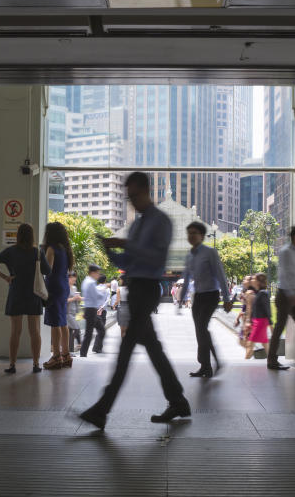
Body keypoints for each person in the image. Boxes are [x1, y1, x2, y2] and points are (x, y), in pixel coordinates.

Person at [79, 172, 190, 429]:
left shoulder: (160, 222)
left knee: (126, 351)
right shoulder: (139, 224)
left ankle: (102, 409)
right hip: (136, 287)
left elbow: (155, 257)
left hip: (147, 288)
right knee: (152, 350)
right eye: (129, 197)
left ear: (146, 190)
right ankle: (178, 401)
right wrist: (111, 249)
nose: (132, 201)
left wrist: (125, 243)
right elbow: (128, 262)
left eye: (134, 195)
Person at [0, 223, 50, 374]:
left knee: (15, 331)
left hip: (16, 293)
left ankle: (12, 365)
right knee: (34, 331)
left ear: (18, 235)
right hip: (34, 294)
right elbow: (47, 270)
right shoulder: (37, 252)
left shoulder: (10, 251)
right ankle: (35, 365)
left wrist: (6, 277)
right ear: (32, 236)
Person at [182, 221, 232, 378]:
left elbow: (220, 274)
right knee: (200, 331)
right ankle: (205, 366)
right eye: (189, 233)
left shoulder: (210, 252)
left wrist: (227, 298)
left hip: (211, 295)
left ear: (202, 236)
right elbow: (186, 278)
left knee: (202, 328)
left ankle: (215, 360)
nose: (191, 236)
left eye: (194, 233)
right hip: (198, 297)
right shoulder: (189, 255)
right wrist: (182, 299)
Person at [267, 224, 295, 370]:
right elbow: (284, 275)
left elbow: (294, 276)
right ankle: (272, 361)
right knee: (280, 327)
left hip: (293, 293)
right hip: (285, 294)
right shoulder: (285, 251)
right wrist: (293, 295)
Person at [41, 221, 74, 371]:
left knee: (55, 322)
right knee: (63, 321)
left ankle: (56, 357)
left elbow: (47, 270)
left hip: (53, 287)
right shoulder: (65, 249)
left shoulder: (51, 249)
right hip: (64, 286)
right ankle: (66, 355)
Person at [79, 264, 107, 357]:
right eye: (98, 273)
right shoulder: (91, 282)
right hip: (91, 310)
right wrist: (103, 289)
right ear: (93, 272)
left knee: (97, 331)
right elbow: (97, 296)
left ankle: (90, 350)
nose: (98, 275)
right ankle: (83, 354)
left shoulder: (86, 281)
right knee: (90, 333)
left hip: (90, 310)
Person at [247, 274, 271, 359]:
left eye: (253, 278)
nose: (251, 280)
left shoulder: (263, 293)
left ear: (258, 282)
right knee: (265, 344)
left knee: (250, 345)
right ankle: (272, 360)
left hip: (260, 322)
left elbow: (267, 310)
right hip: (257, 321)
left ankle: (244, 364)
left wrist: (271, 325)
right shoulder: (258, 293)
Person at [66, 273, 82, 352]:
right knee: (76, 329)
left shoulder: (75, 288)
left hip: (73, 312)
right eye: (72, 277)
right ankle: (72, 348)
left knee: (70, 331)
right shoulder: (65, 288)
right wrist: (73, 298)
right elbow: (63, 300)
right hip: (67, 312)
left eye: (75, 277)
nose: (74, 279)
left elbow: (76, 299)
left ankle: (70, 350)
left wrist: (79, 299)